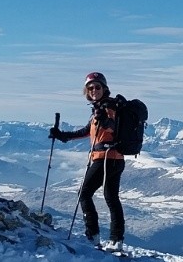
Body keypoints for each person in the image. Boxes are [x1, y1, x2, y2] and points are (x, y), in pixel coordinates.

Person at [49, 72, 127, 250]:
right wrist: (63, 136)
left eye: (97, 87)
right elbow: (87, 131)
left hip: (105, 159)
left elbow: (112, 126)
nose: (93, 90)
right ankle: (116, 241)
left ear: (104, 88)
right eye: (90, 88)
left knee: (84, 194)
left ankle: (92, 236)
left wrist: (104, 119)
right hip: (115, 159)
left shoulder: (109, 107)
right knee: (111, 198)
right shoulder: (99, 108)